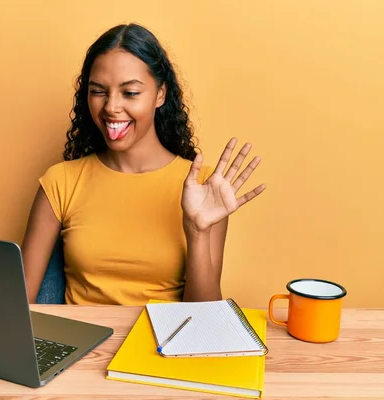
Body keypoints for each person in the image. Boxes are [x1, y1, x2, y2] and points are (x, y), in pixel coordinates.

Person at [21, 23, 265, 306]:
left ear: (160, 94)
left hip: (165, 346)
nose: (111, 106)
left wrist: (197, 232)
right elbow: (19, 306)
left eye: (130, 93)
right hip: (86, 347)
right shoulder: (60, 182)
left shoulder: (204, 188)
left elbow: (204, 320)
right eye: (98, 91)